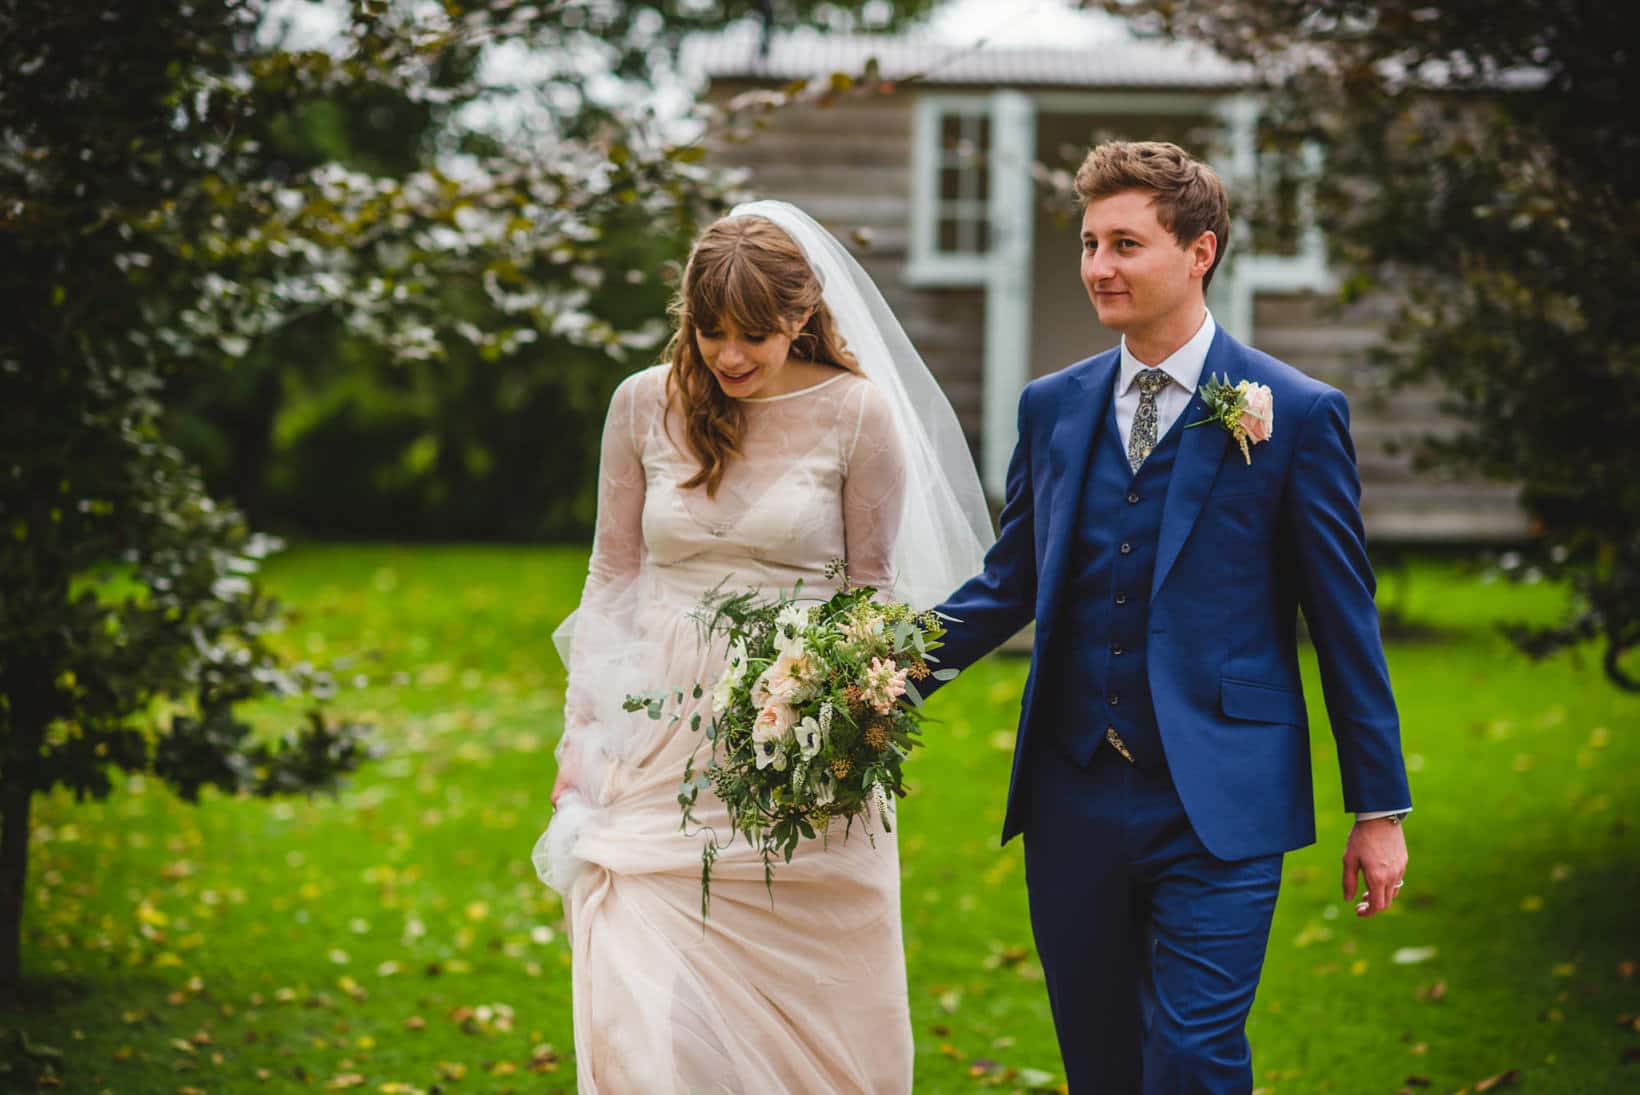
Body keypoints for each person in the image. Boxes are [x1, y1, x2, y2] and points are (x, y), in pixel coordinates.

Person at [918, 141, 1414, 1093]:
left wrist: (1377, 805)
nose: (1100, 265)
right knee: (1100, 1063)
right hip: (1073, 793)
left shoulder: (1297, 414)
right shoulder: (1051, 408)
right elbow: (1010, 580)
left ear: (1200, 252)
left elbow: (1344, 618)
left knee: (1192, 1056)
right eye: (1091, 242)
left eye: (1127, 244)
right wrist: (889, 669)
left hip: (1221, 799)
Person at [533, 201, 992, 1093]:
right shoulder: (640, 406)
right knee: (644, 1010)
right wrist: (578, 731)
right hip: (654, 743)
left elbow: (872, 591)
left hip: (797, 747)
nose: (731, 357)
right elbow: (611, 577)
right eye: (711, 334)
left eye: (753, 334)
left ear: (801, 315)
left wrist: (848, 717)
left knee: (817, 1009)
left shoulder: (859, 414)